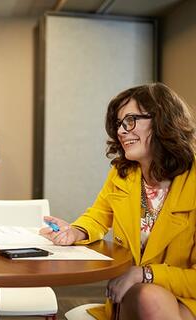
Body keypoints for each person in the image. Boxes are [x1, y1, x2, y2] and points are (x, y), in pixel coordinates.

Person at [40, 83, 196, 320]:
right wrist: (76, 231)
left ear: (163, 119)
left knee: (150, 298)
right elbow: (99, 214)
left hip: (187, 295)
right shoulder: (123, 174)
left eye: (130, 120)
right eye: (119, 124)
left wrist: (144, 274)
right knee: (147, 297)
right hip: (138, 295)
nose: (121, 131)